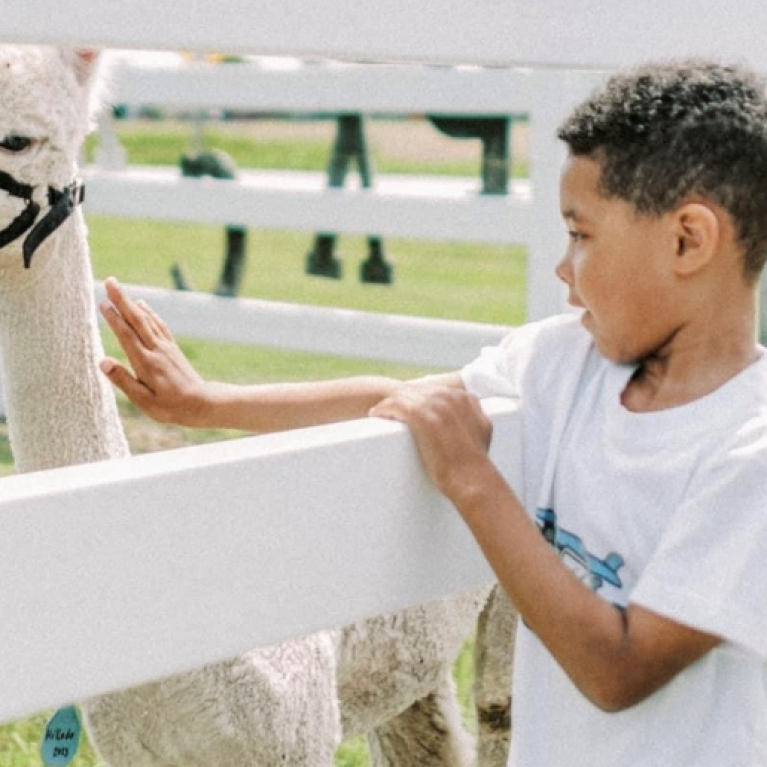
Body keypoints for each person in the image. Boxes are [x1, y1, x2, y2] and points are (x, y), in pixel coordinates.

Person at [98, 59, 767, 766]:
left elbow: (618, 669)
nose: (562, 267)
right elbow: (413, 401)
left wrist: (472, 482)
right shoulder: (561, 364)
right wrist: (213, 403)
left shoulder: (748, 449)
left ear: (688, 240)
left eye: (581, 233)